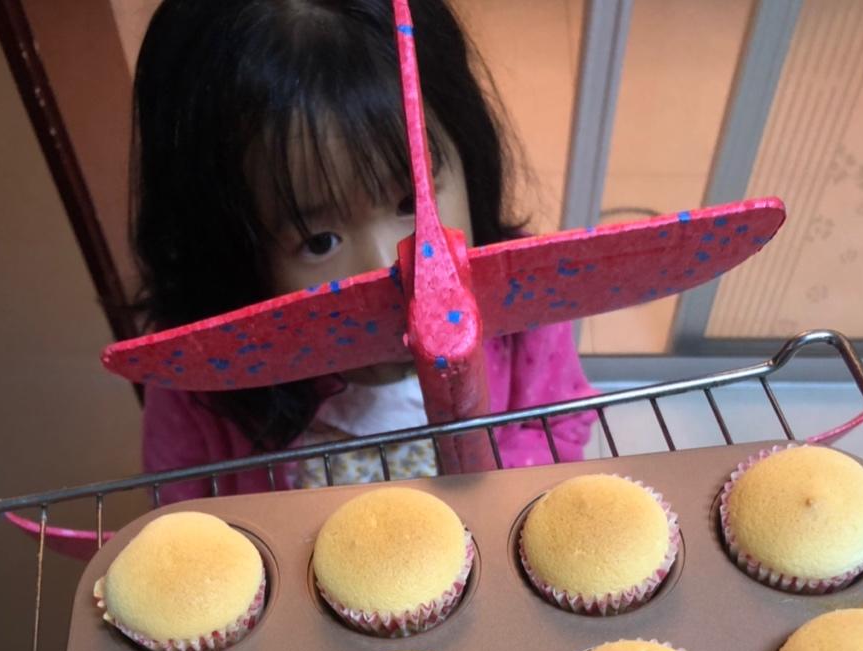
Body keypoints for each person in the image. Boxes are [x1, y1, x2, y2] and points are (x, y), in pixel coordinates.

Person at [131, 0, 595, 500]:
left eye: (410, 201)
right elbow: (180, 505)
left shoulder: (527, 301)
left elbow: (563, 425)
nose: (389, 269)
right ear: (227, 255)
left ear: (469, 150)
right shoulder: (198, 378)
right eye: (319, 242)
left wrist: (490, 490)